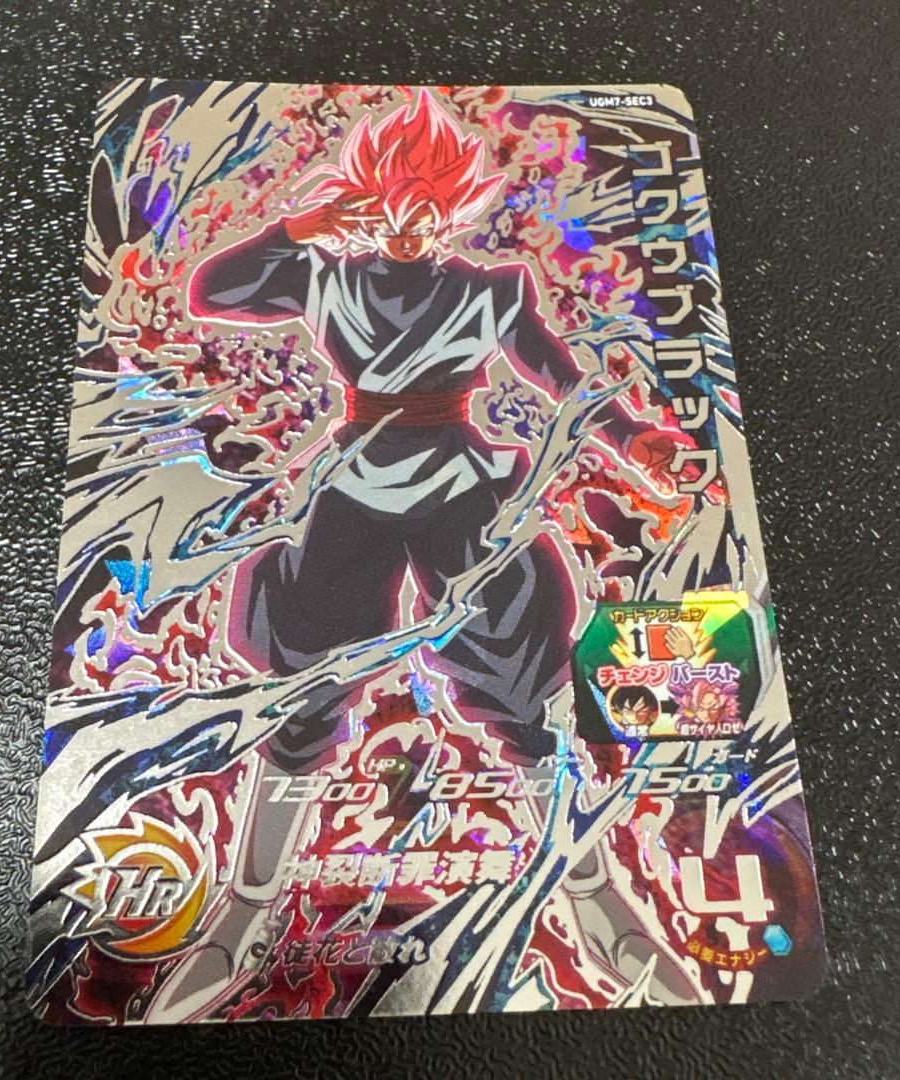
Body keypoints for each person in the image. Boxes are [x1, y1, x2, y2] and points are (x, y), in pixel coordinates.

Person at [145, 91, 700, 1021]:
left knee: (519, 689)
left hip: (457, 488)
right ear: (365, 198)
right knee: (306, 688)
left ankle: (593, 896)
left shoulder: (490, 293)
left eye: (426, 206)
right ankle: (244, 913)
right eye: (389, 204)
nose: (407, 225)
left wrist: (634, 440)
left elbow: (562, 382)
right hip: (354, 488)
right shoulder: (326, 276)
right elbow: (210, 292)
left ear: (454, 208)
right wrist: (298, 227)